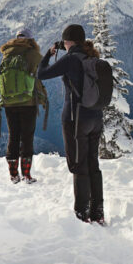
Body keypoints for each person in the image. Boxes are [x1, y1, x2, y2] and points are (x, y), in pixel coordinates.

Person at [37, 24, 105, 223]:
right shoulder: (92, 57)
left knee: (78, 165)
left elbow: (42, 74)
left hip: (76, 120)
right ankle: (98, 211)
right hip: (96, 118)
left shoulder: (70, 59)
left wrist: (48, 55)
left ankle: (82, 213)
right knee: (93, 164)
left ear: (67, 41)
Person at [0, 28, 48, 184]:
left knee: (13, 135)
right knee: (26, 137)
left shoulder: (7, 53)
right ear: (31, 40)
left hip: (9, 102)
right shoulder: (33, 54)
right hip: (28, 102)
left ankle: (13, 175)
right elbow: (41, 75)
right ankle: (26, 174)